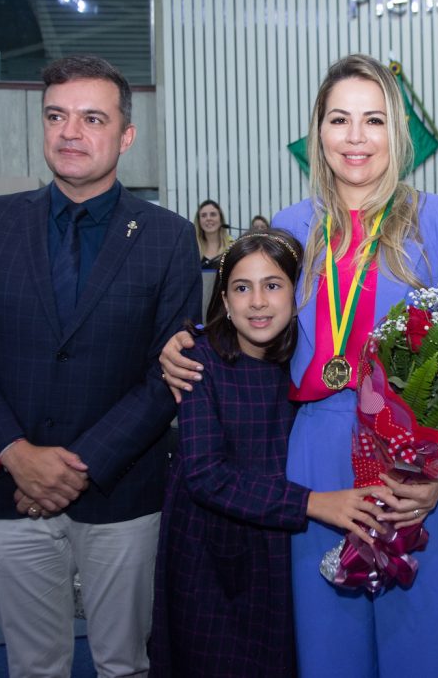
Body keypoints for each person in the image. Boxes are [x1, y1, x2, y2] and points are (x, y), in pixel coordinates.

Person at [160, 54, 438, 677]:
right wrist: (188, 341)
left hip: (422, 471)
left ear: (398, 133)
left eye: (374, 120)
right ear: (317, 132)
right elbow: (256, 317)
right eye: (339, 119)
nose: (356, 138)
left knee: (428, 651)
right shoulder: (290, 227)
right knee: (330, 653)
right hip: (317, 458)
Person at [0, 54, 202, 678]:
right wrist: (15, 454)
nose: (70, 132)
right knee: (34, 668)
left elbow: (170, 373)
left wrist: (78, 468)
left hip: (121, 492)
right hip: (9, 489)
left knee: (126, 665)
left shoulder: (166, 237)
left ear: (126, 136)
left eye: (91, 118)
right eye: (56, 116)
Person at [149, 230, 385, 677]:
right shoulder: (201, 361)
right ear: (223, 298)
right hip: (212, 554)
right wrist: (312, 503)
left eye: (273, 285)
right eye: (242, 288)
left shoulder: (306, 362)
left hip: (282, 550)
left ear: (298, 293)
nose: (257, 301)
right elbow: (204, 474)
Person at [195, 199, 234, 269]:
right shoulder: (193, 248)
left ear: (221, 219)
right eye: (204, 215)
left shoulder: (232, 247)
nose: (208, 218)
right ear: (198, 221)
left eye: (213, 214)